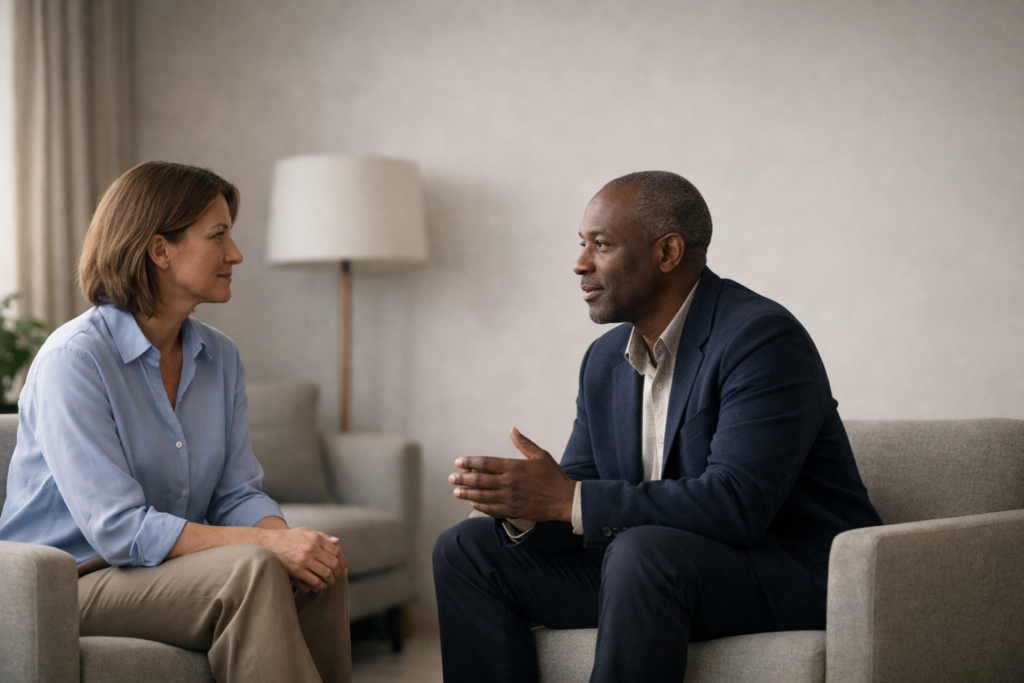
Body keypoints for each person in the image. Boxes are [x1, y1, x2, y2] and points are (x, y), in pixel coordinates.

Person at [433, 171, 882, 682]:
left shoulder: (761, 339)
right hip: (648, 570)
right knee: (466, 549)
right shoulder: (604, 361)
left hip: (777, 571)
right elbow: (582, 489)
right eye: (582, 244)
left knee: (640, 551)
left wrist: (569, 499)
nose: (579, 264)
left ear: (667, 253)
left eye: (601, 245)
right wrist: (528, 510)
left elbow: (738, 505)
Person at [0, 161, 351, 683]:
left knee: (321, 570)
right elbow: (118, 529)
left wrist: (292, 541)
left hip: (157, 570)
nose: (236, 254)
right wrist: (268, 547)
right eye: (219, 236)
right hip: (67, 582)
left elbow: (237, 493)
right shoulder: (73, 359)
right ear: (159, 250)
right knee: (252, 569)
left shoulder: (220, 356)